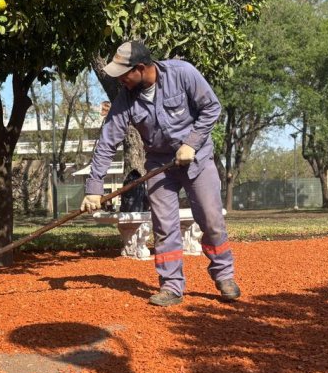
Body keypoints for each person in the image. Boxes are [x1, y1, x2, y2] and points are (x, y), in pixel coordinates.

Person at [82, 41, 240, 306]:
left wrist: (191, 142)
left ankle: (224, 275)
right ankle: (171, 286)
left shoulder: (183, 73)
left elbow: (211, 107)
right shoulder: (125, 99)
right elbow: (107, 141)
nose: (120, 79)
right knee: (164, 227)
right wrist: (94, 188)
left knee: (211, 220)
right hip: (159, 165)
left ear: (140, 68)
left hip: (197, 159)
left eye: (124, 73)